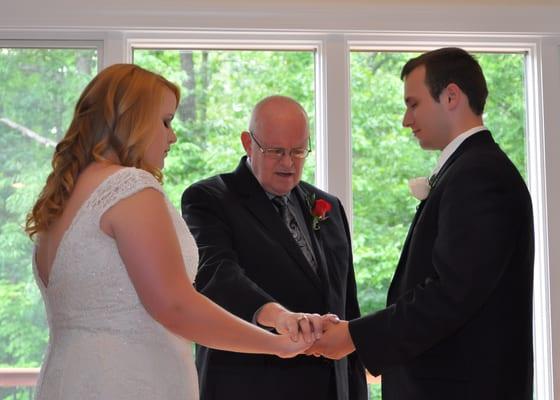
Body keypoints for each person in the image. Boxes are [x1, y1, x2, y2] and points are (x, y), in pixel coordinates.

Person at [25, 64, 312, 400]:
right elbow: (175, 306)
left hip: (67, 379)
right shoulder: (128, 187)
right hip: (130, 384)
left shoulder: (64, 196)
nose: (172, 135)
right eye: (165, 121)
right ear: (133, 119)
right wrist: (273, 344)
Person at [310, 47, 534, 399]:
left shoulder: (478, 175)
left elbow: (451, 294)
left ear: (450, 96)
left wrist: (355, 336)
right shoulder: (468, 169)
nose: (405, 119)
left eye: (413, 104)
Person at [181, 95, 368, 400]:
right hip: (249, 387)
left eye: (298, 151)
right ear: (247, 143)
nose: (288, 163)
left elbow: (347, 307)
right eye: (275, 151)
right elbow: (218, 276)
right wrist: (280, 317)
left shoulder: (329, 207)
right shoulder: (208, 199)